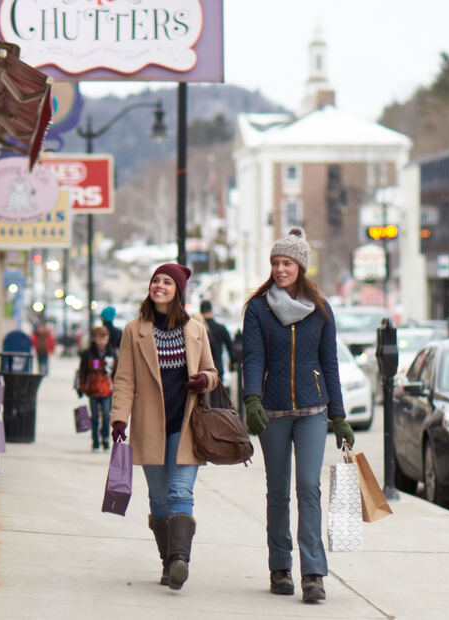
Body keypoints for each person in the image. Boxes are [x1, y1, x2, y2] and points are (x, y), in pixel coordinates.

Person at [241, 227, 354, 604]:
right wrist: (252, 398)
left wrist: (338, 416)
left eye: (286, 263)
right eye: (275, 263)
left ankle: (313, 573)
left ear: (300, 266)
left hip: (311, 411)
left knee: (309, 487)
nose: (279, 269)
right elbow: (253, 357)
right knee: (278, 491)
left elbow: (330, 363)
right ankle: (279, 567)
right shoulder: (258, 309)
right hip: (272, 411)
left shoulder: (320, 309)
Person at [110, 263, 218, 591]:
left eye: (167, 282)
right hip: (150, 425)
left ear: (178, 291)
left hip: (186, 426)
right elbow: (124, 377)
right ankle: (167, 561)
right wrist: (119, 418)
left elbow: (213, 372)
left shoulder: (196, 329)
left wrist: (204, 380)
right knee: (158, 498)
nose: (159, 286)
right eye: (156, 280)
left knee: (180, 492)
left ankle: (180, 560)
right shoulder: (134, 329)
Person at [75, 326, 116, 451]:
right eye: (99, 338)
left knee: (106, 414)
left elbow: (116, 372)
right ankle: (95, 441)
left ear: (107, 339)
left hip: (107, 389)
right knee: (94, 416)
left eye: (104, 338)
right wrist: (81, 388)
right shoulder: (88, 354)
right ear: (94, 339)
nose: (101, 342)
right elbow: (83, 371)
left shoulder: (112, 353)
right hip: (92, 389)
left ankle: (105, 438)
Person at [198, 300, 234, 407]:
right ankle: (216, 420)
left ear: (201, 311)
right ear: (211, 310)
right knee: (216, 398)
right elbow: (230, 346)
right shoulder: (220, 328)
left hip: (201, 367)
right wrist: (232, 362)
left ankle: (202, 421)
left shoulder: (199, 328)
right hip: (217, 365)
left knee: (200, 399)